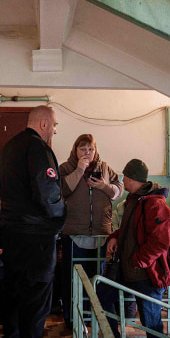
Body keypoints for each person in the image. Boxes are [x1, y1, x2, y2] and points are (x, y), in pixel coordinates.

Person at [0, 106, 65, 338]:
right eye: (54, 125)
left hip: (11, 234)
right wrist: (61, 216)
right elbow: (48, 192)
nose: (55, 130)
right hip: (36, 238)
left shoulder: (10, 147)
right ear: (43, 124)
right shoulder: (38, 148)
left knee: (14, 292)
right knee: (36, 299)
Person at [100, 159, 170, 338]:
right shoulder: (135, 200)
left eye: (125, 177)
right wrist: (115, 237)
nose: (123, 180)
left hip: (146, 276)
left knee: (152, 325)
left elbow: (161, 242)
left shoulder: (154, 203)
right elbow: (130, 229)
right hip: (129, 272)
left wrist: (138, 261)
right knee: (102, 297)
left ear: (133, 178)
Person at [58, 134, 123, 328]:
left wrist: (104, 186)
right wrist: (79, 170)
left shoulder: (105, 168)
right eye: (83, 149)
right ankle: (72, 319)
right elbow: (62, 190)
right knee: (74, 279)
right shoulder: (66, 168)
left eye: (91, 149)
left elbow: (118, 191)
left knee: (96, 279)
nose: (87, 152)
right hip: (74, 234)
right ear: (75, 150)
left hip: (100, 234)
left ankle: (91, 318)